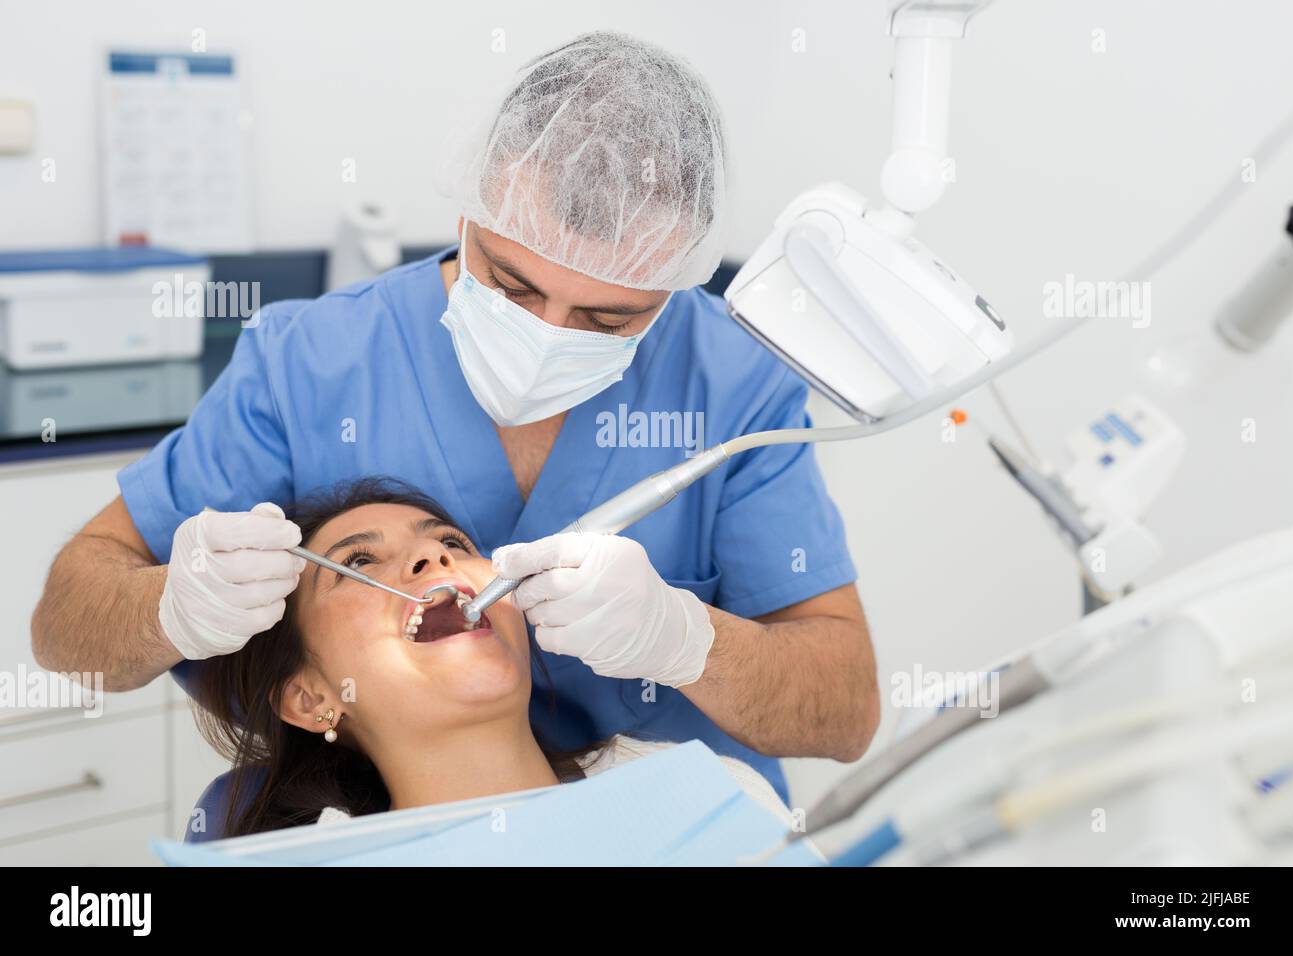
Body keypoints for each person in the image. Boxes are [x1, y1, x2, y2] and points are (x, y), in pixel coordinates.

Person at [32, 31, 879, 804]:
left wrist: (686, 639)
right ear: (470, 207)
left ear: (674, 284)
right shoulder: (313, 363)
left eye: (606, 320)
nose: (546, 336)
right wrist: (168, 610)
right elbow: (67, 627)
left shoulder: (729, 384)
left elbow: (844, 713)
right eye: (512, 285)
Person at [193, 477, 791, 837]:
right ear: (311, 699)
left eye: (453, 542)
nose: (433, 555)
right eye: (358, 563)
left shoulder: (704, 791)